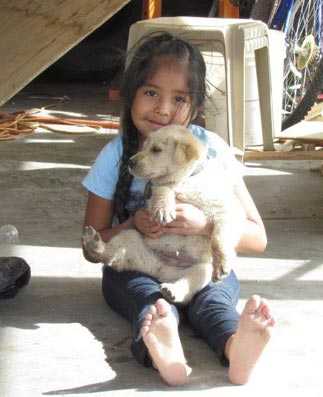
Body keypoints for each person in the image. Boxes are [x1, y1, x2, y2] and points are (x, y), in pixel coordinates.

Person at [82, 32, 275, 387]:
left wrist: (206, 226)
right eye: (152, 92)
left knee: (214, 298)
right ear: (131, 94)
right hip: (143, 266)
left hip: (200, 264)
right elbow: (93, 245)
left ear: (196, 106)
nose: (163, 109)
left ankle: (236, 347)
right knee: (147, 299)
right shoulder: (114, 156)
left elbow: (257, 237)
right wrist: (131, 225)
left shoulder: (212, 151)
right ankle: (162, 350)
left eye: (179, 98)